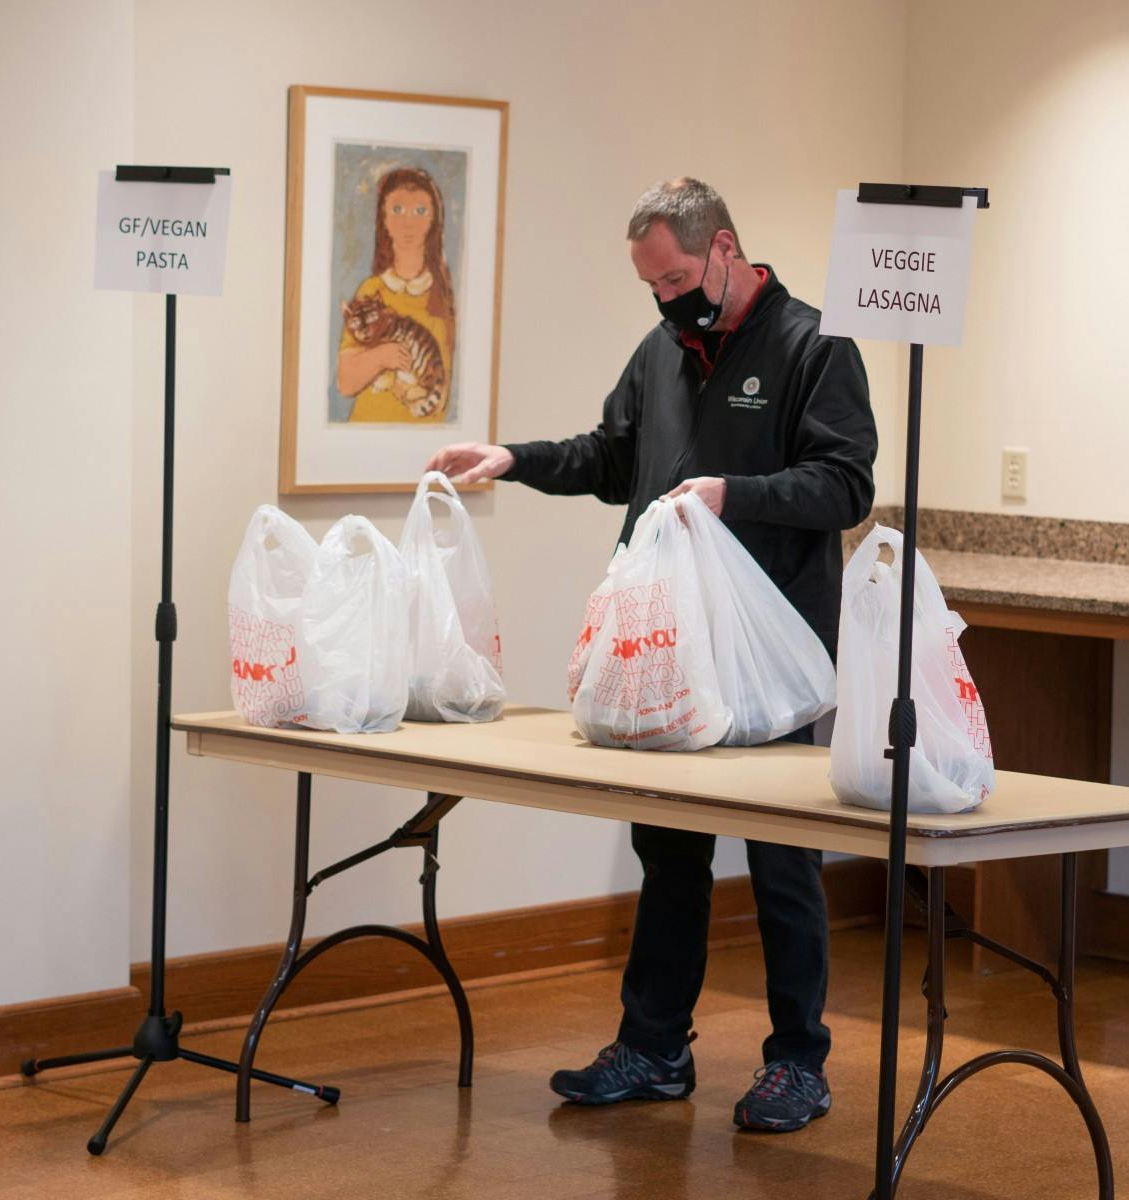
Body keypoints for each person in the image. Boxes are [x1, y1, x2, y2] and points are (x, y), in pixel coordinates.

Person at [427, 177, 877, 1134]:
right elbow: (608, 458)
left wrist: (733, 493)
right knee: (666, 849)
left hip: (772, 654)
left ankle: (799, 1062)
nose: (667, 300)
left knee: (781, 862)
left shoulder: (814, 345)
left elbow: (846, 487)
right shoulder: (662, 350)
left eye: (677, 278)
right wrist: (514, 458)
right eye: (651, 286)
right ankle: (654, 1047)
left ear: (726, 250)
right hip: (667, 657)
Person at [337, 166, 457, 423]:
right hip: (365, 429)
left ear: (433, 220)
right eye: (398, 209)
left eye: (420, 211)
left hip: (422, 439)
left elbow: (441, 391)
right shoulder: (371, 291)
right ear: (384, 219)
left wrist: (400, 385)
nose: (408, 222)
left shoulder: (441, 297)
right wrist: (381, 357)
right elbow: (346, 382)